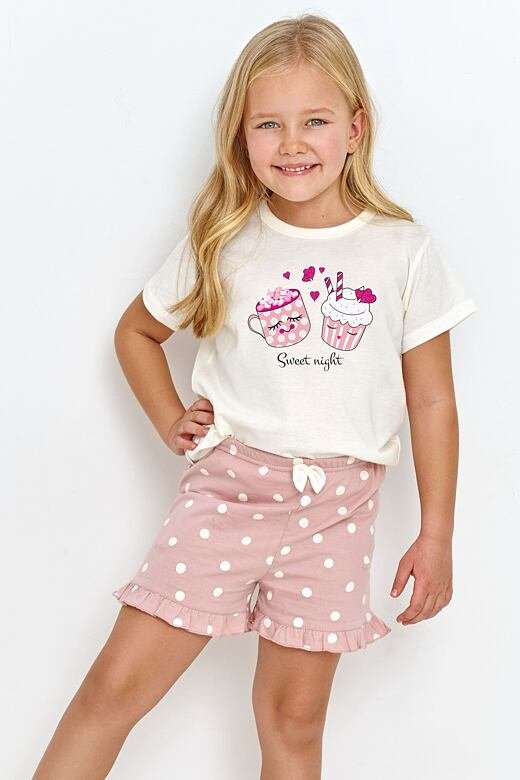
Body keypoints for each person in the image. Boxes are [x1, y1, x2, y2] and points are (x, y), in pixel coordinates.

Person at [33, 12, 478, 780]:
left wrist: (436, 533)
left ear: (355, 128)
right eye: (268, 124)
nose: (293, 142)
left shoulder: (403, 250)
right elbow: (136, 332)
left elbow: (433, 401)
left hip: (339, 511)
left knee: (292, 723)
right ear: (241, 138)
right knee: (114, 691)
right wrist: (171, 418)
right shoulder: (224, 239)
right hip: (227, 495)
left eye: (316, 121)